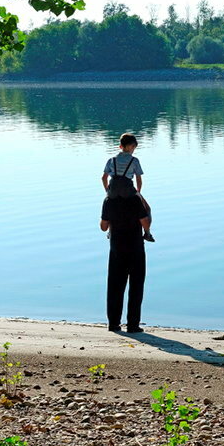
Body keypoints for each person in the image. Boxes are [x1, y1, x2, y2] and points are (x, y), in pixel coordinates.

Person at [101, 175, 150, 333]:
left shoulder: (108, 201)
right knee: (136, 286)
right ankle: (133, 325)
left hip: (116, 248)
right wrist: (147, 209)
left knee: (115, 287)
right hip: (135, 247)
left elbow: (103, 227)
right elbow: (145, 222)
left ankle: (114, 324)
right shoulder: (135, 200)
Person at [102, 133, 154, 242]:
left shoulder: (111, 160)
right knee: (147, 208)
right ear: (133, 147)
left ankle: (110, 231)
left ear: (120, 146)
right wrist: (138, 192)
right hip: (127, 190)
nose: (133, 149)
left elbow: (104, 178)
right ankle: (147, 233)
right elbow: (138, 179)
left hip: (113, 190)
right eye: (133, 147)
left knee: (111, 209)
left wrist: (107, 191)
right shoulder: (134, 161)